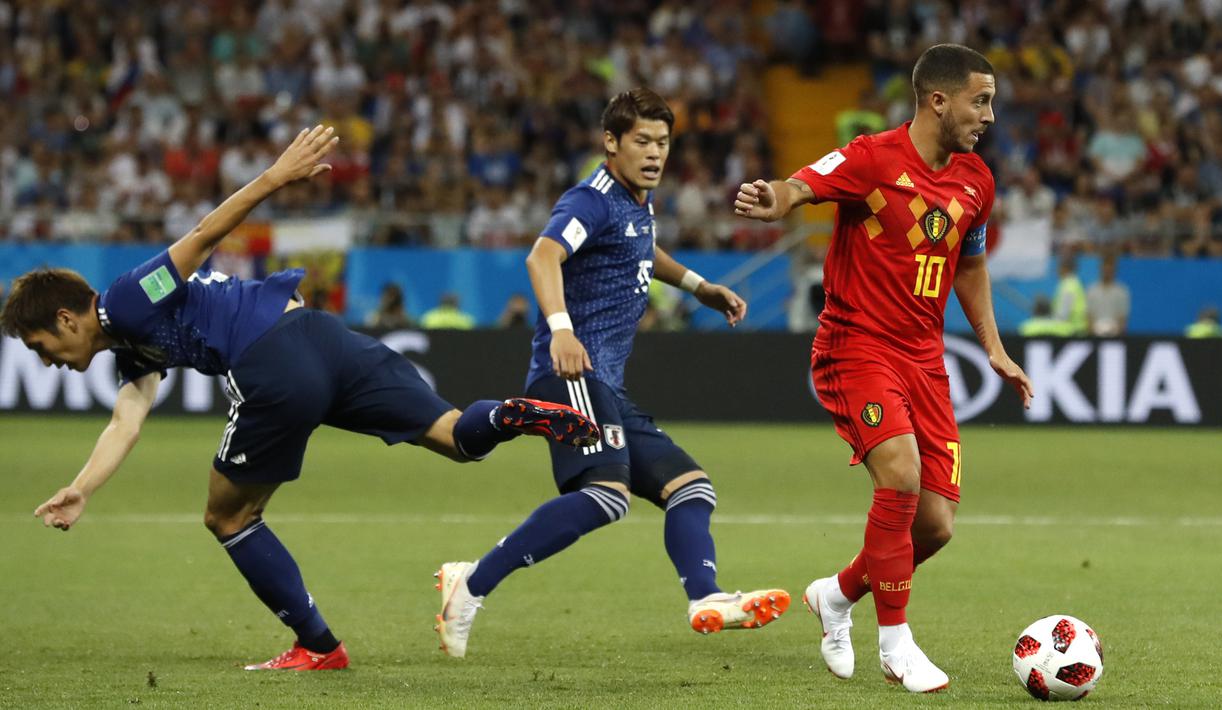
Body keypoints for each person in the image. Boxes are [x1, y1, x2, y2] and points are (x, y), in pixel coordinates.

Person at [0, 126, 599, 673]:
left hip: (272, 359)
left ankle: (318, 646)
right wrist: (84, 486)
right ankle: (508, 413)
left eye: (39, 343)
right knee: (455, 437)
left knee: (227, 515)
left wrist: (276, 176)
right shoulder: (131, 345)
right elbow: (126, 419)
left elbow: (203, 236)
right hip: (324, 338)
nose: (43, 358)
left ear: (65, 317)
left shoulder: (127, 300)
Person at [434, 88, 790, 659]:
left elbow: (644, 251)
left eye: (663, 143)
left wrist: (700, 288)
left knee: (690, 488)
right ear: (611, 143)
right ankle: (471, 584)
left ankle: (706, 598)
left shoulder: (635, 203)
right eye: (642, 142)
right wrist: (561, 328)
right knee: (607, 497)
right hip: (571, 371)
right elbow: (542, 256)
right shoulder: (592, 199)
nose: (655, 153)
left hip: (606, 385)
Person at [733, 45, 1034, 693]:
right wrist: (773, 198)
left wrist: (992, 346)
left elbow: (970, 264)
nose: (988, 114)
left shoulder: (975, 180)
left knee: (934, 526)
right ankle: (895, 644)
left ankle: (835, 596)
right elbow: (803, 185)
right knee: (898, 474)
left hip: (924, 360)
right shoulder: (872, 158)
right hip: (855, 348)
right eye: (979, 100)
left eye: (990, 101)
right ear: (937, 100)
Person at [1086, 254, 1130, 336]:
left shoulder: (1122, 291)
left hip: (1115, 336)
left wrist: (1114, 332)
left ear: (1114, 270)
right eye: (1105, 268)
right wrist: (1095, 331)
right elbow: (1089, 316)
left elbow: (1123, 318)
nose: (1107, 272)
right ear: (1100, 268)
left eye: (1110, 269)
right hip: (1094, 335)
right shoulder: (1091, 290)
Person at [1052, 251, 1088, 335]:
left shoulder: (1068, 285)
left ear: (1065, 268)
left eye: (1059, 267)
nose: (1057, 270)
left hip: (1071, 331)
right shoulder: (1075, 282)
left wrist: (1053, 325)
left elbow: (1063, 313)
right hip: (1078, 329)